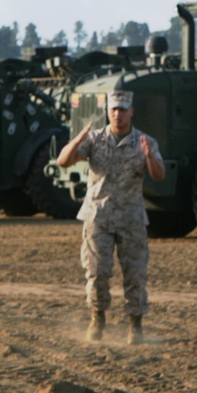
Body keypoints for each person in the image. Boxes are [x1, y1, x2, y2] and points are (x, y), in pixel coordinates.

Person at [56, 90, 166, 344]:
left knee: (135, 274)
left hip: (131, 218)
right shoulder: (94, 140)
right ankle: (97, 318)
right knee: (97, 272)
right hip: (99, 218)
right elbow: (63, 162)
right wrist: (76, 140)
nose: (118, 114)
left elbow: (159, 176)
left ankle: (135, 326)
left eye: (123, 109)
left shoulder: (144, 142)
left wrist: (149, 156)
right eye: (114, 109)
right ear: (108, 111)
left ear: (132, 112)